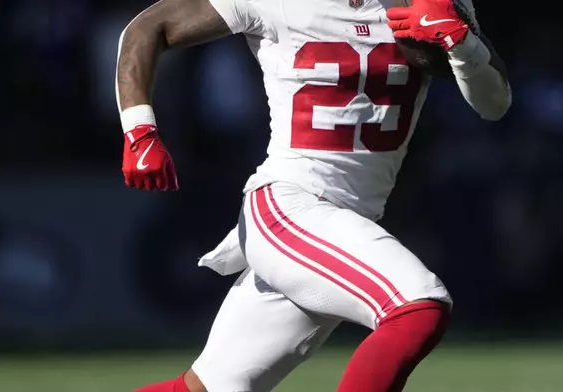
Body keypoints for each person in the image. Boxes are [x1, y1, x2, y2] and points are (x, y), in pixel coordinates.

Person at [115, 0, 511, 390]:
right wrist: (139, 129)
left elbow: (495, 105)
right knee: (417, 305)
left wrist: (463, 45)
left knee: (212, 387)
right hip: (290, 204)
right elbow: (148, 27)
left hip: (345, 224)